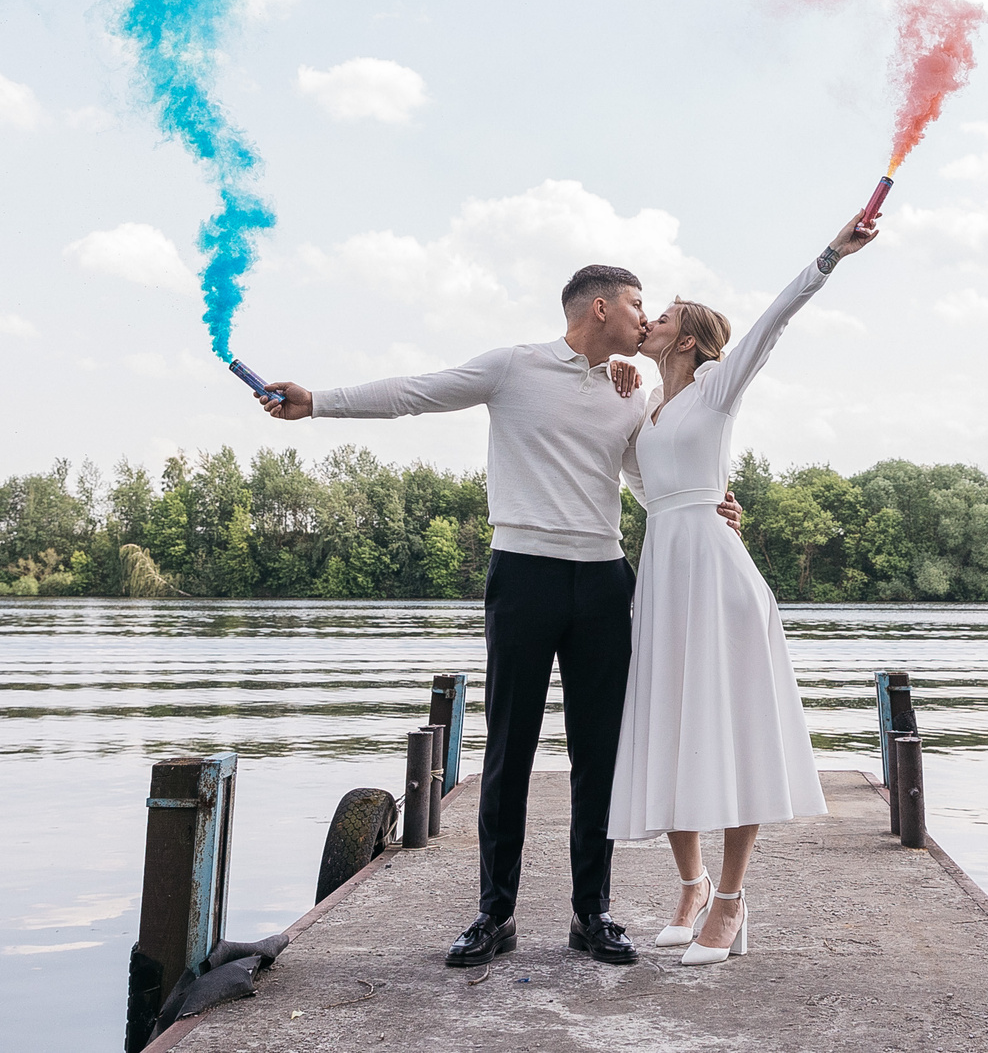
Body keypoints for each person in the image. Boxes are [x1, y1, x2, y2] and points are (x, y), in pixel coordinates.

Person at [254, 264, 741, 969]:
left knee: (596, 756)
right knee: (509, 751)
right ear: (599, 307)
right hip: (524, 576)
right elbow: (412, 393)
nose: (645, 318)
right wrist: (317, 401)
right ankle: (494, 914)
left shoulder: (628, 394)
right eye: (637, 304)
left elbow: (649, 481)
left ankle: (592, 914)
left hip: (605, 581)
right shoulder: (513, 367)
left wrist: (711, 504)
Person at [607, 210, 877, 967]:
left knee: (731, 734)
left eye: (660, 315)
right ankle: (689, 885)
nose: (649, 320)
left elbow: (772, 322)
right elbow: (639, 480)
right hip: (664, 574)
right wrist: (617, 384)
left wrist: (832, 253)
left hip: (718, 577)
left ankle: (731, 899)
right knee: (672, 727)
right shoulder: (646, 409)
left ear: (687, 338)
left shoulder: (717, 388)